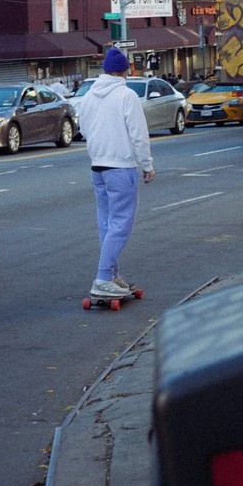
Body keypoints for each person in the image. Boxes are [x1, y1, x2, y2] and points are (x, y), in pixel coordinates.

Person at [77, 46, 155, 300]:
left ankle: (111, 275)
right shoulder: (126, 95)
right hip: (121, 166)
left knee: (107, 224)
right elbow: (138, 134)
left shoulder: (89, 96)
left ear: (104, 70)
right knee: (121, 224)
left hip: (97, 166)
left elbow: (84, 129)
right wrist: (147, 164)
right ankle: (102, 277)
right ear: (125, 70)